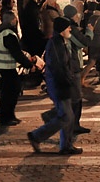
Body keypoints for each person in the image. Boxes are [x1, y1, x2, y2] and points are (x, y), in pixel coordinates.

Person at [27, 17, 82, 155]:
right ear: (62, 30)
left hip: (62, 84)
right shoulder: (56, 45)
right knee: (66, 117)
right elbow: (59, 68)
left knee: (68, 116)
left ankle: (66, 145)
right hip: (59, 85)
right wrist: (68, 82)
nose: (70, 29)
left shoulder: (61, 42)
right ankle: (37, 136)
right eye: (68, 27)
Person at [0, 12, 37, 126]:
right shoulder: (9, 34)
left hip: (1, 65)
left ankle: (9, 116)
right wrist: (29, 65)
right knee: (11, 91)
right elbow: (16, 53)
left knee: (10, 91)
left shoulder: (1, 30)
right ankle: (6, 117)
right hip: (6, 66)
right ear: (12, 20)